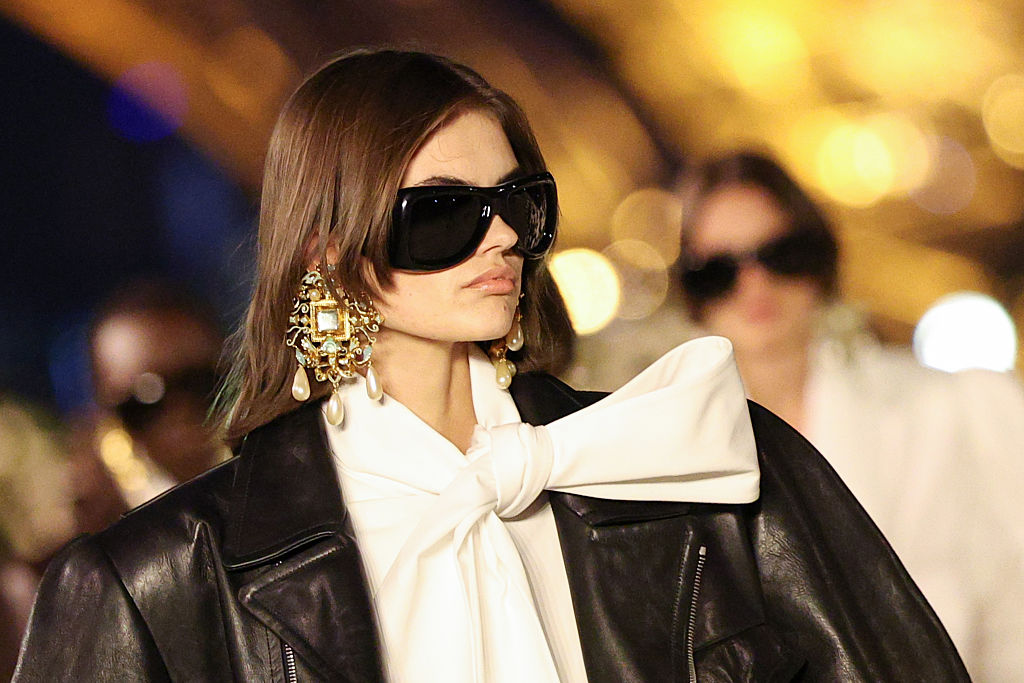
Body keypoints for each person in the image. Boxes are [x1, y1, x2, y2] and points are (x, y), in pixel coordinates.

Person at [16, 50, 967, 682]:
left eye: (522, 201)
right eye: (442, 210)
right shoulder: (157, 586)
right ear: (325, 250)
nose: (504, 234)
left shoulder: (703, 466)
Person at [676, 150, 1024, 681]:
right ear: (693, 290)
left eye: (779, 254)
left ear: (819, 259)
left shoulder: (945, 410)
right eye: (719, 271)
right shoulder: (667, 456)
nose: (755, 285)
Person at [88, 279, 229, 505]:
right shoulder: (95, 529)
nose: (178, 414)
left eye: (199, 383)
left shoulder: (280, 476)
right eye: (143, 400)